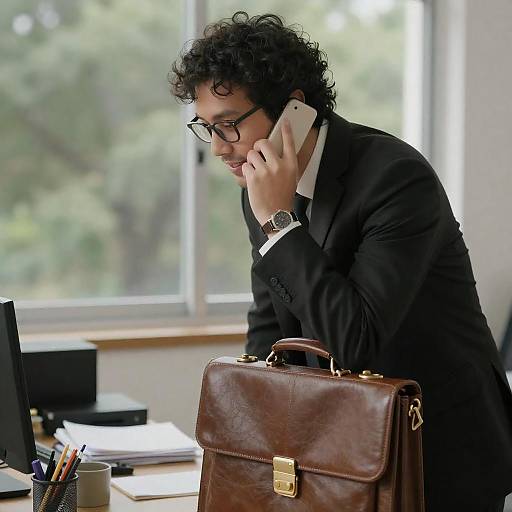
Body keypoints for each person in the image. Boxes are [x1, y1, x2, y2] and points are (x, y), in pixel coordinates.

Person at [170, 11, 512, 511]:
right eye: (207, 127)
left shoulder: (395, 179)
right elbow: (271, 333)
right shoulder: (261, 192)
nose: (220, 148)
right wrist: (255, 454)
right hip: (343, 450)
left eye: (229, 126)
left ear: (293, 111)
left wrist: (281, 225)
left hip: (440, 452)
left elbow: (356, 339)